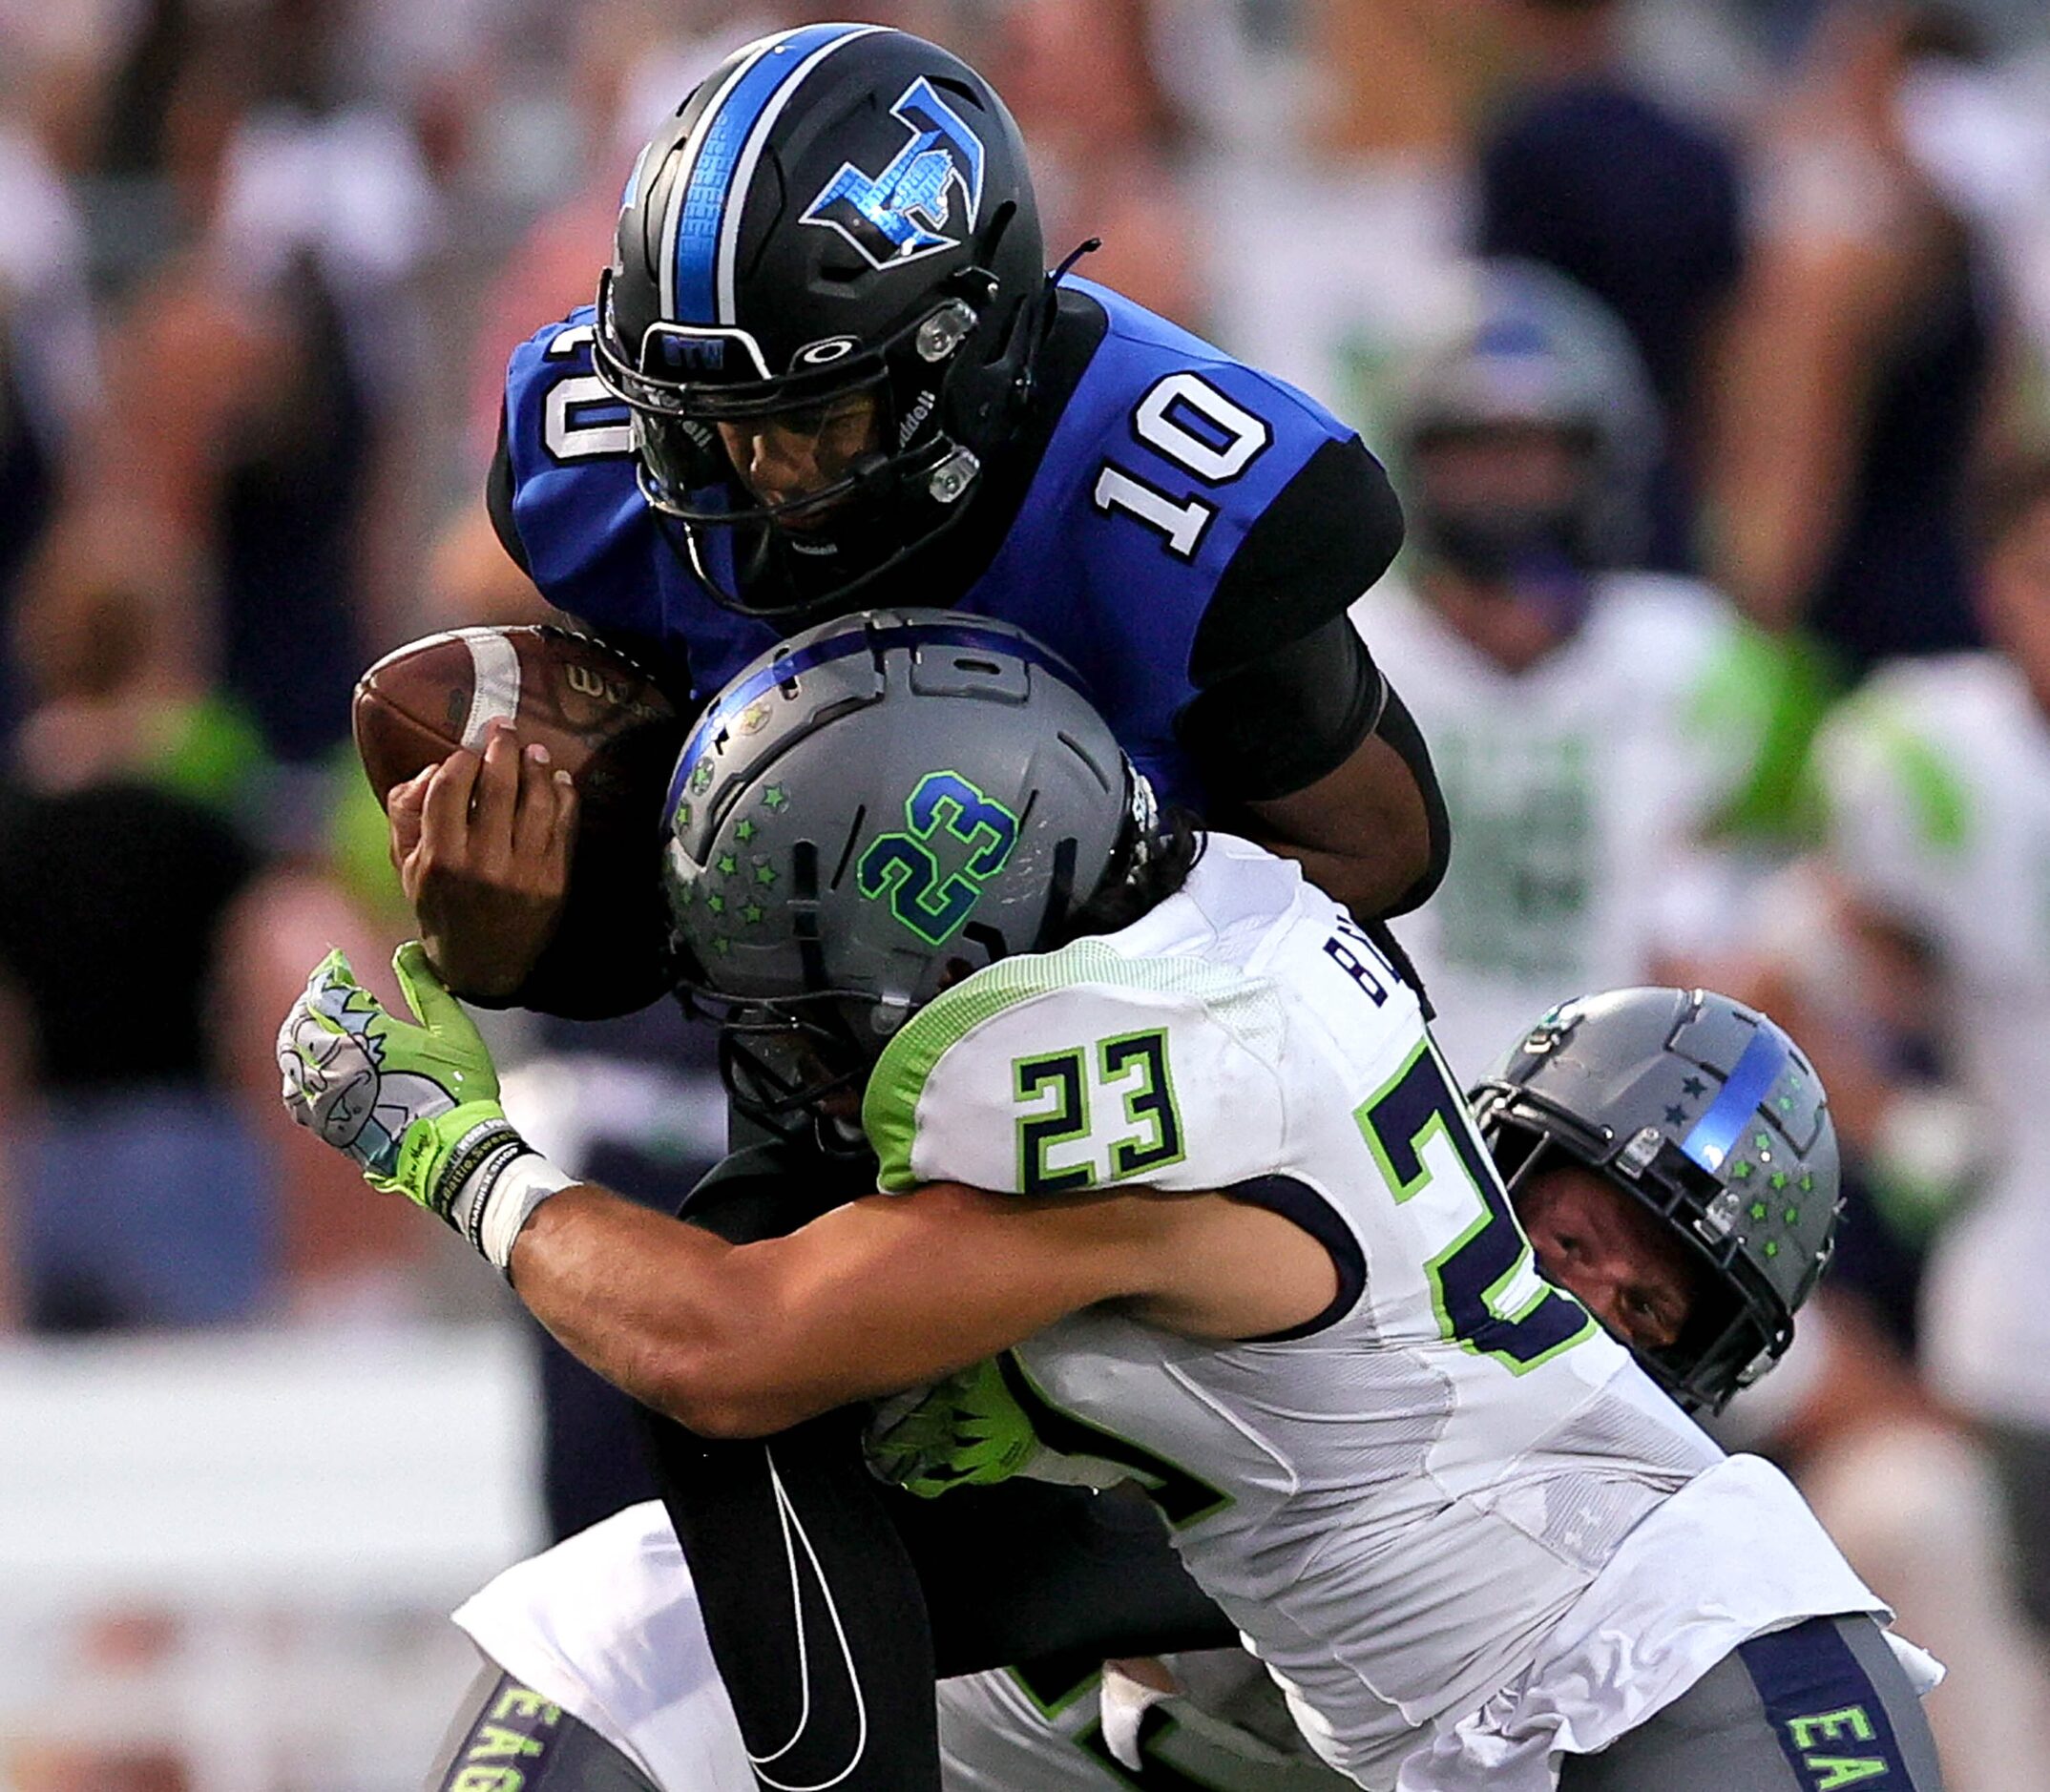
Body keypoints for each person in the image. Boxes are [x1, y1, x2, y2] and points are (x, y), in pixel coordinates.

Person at [283, 611, 1939, 1791]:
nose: (803, 1042)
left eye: (822, 987)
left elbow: (732, 1339)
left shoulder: (1136, 1097)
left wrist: (453, 1149)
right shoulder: (1229, 926)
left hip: (1655, 1691)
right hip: (1619, 1684)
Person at [450, 16, 1450, 1736]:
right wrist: (526, 915)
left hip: (1170, 1058)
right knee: (725, 1392)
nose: (756, 476)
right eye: (716, 421)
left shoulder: (1158, 477)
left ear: (963, 352)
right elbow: (677, 933)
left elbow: (1379, 849)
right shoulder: (609, 463)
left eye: (812, 419)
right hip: (834, 1074)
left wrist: (1101, 895)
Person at [421, 954, 1858, 1792]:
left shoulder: (1596, 1591)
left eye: (1658, 1304)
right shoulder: (1285, 1268)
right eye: (1579, 1237)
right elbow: (749, 1343)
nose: (1601, 1312)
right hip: (683, 1704)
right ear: (1494, 1177)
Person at [1355, 258, 1823, 1082]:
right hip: (1386, 1075)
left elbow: (1753, 926)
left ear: (1600, 461)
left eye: (1535, 450)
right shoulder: (1350, 648)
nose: (1507, 484)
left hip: (1623, 1102)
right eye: (1475, 450)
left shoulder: (1698, 656)